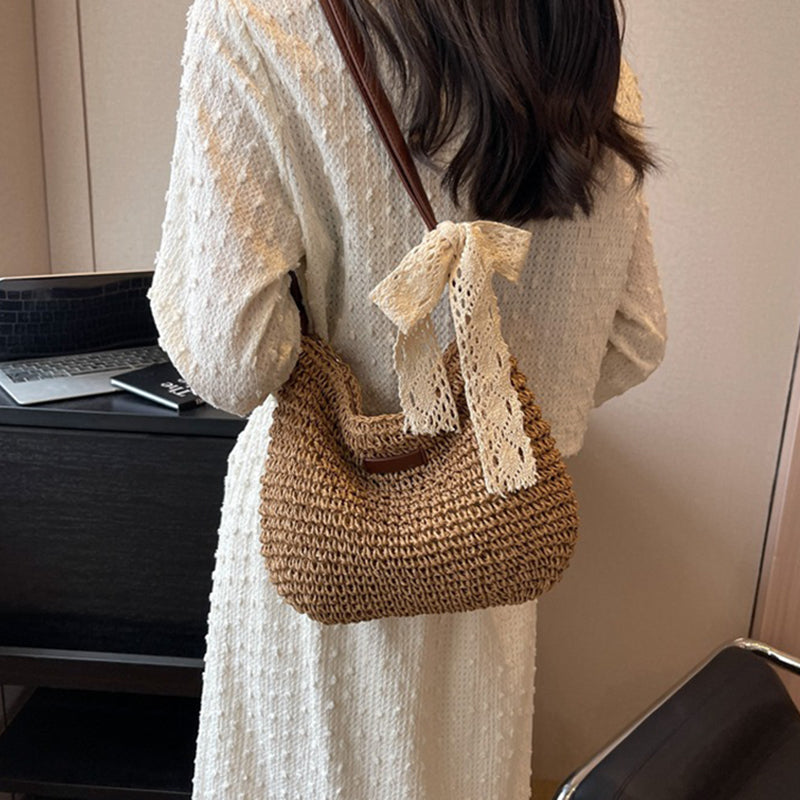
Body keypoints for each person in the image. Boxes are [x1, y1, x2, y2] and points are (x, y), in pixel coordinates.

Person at [148, 0, 667, 796]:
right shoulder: (582, 55)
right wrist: (489, 413)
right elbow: (634, 336)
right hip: (488, 551)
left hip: (318, 550)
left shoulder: (256, 20)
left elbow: (234, 360)